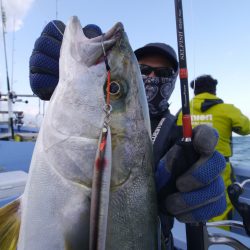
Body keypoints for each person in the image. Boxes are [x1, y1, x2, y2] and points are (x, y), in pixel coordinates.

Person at [29, 20, 227, 249]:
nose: (152, 77)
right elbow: (84, 113)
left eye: (163, 72)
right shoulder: (104, 108)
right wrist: (63, 85)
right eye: (143, 70)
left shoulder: (178, 136)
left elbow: (189, 167)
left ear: (173, 80)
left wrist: (199, 181)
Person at [177, 74, 250, 223]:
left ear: (194, 92)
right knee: (219, 208)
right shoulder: (227, 109)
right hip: (218, 167)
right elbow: (246, 128)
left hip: (188, 168)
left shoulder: (183, 111)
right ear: (214, 90)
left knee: (192, 205)